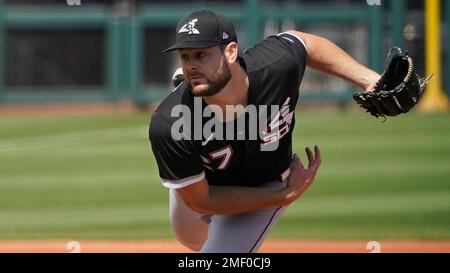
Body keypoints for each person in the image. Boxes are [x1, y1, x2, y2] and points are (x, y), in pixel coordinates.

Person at [149, 9, 380, 253]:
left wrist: (369, 81)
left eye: (201, 54)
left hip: (265, 184)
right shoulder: (170, 124)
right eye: (185, 57)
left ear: (230, 51)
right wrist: (286, 196)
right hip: (205, 187)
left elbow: (305, 44)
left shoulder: (275, 66)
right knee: (190, 239)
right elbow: (201, 200)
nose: (191, 65)